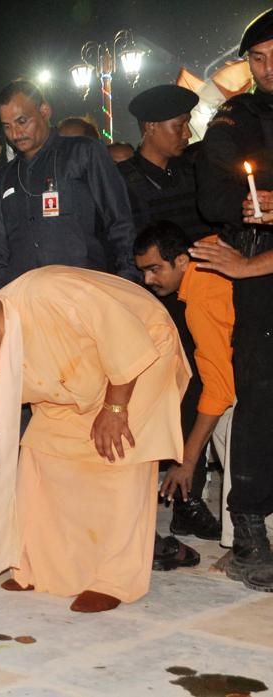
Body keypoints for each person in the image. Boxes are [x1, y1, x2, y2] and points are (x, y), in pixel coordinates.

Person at [0, 267, 189, 613]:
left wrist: (114, 408)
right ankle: (40, 569)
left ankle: (115, 579)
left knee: (117, 453)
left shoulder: (52, 294)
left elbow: (125, 339)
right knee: (41, 454)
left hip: (140, 358)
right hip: (75, 381)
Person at [190, 7, 273, 591]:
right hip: (259, 275)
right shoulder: (235, 117)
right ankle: (248, 534)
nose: (269, 68)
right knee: (260, 398)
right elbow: (213, 192)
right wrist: (246, 208)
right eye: (260, 59)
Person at [0, 80, 138, 288]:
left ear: (45, 111)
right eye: (7, 126)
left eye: (22, 121)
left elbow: (119, 221)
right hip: (26, 299)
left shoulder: (83, 153)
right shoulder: (6, 176)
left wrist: (128, 281)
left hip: (82, 292)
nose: (15, 133)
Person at [134, 222, 229, 548]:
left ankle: (243, 536)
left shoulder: (202, 300)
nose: (148, 280)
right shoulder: (208, 255)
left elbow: (219, 387)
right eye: (144, 271)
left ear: (182, 261)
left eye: (155, 269)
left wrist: (185, 462)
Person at [118, 85, 209, 240]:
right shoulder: (119, 181)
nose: (188, 134)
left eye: (188, 124)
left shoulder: (197, 171)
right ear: (151, 126)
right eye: (179, 126)